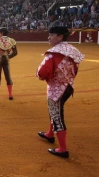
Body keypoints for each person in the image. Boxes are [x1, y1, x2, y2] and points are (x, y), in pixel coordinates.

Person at [36, 26, 84, 158]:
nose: (48, 37)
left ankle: (63, 148)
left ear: (60, 36)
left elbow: (41, 73)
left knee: (57, 115)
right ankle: (50, 134)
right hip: (69, 86)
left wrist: (49, 77)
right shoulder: (72, 50)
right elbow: (75, 68)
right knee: (54, 110)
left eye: (51, 35)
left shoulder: (53, 53)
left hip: (57, 89)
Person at [0, 28, 18, 100]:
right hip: (6, 60)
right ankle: (10, 95)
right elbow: (15, 53)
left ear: (1, 33)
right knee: (8, 76)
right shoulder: (12, 41)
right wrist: (7, 56)